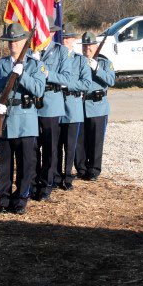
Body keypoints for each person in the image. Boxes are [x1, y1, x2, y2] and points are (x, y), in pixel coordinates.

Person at [0, 23, 45, 215]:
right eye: (10, 41)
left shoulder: (35, 66)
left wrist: (22, 73)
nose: (13, 45)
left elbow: (39, 90)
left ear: (25, 41)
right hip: (5, 121)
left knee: (26, 165)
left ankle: (21, 201)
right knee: (4, 166)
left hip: (26, 121)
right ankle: (4, 201)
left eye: (16, 41)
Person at [30, 17, 72, 201]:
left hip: (51, 104)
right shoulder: (30, 51)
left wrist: (46, 72)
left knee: (50, 147)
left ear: (53, 33)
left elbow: (66, 78)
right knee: (32, 148)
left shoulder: (62, 52)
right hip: (31, 104)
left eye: (47, 32)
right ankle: (31, 184)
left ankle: (47, 185)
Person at [53, 23, 92, 190]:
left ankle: (67, 178)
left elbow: (86, 83)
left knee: (70, 147)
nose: (65, 41)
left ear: (74, 40)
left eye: (68, 38)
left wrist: (67, 84)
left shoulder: (80, 60)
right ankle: (54, 177)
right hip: (55, 106)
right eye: (63, 38)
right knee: (55, 146)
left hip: (73, 107)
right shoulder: (53, 59)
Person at [80, 31, 116, 181]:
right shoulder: (79, 61)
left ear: (95, 46)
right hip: (81, 105)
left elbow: (111, 80)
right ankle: (81, 168)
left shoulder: (105, 63)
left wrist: (97, 69)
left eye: (90, 46)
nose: (87, 49)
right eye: (85, 46)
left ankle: (94, 169)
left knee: (96, 140)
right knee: (81, 140)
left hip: (97, 105)